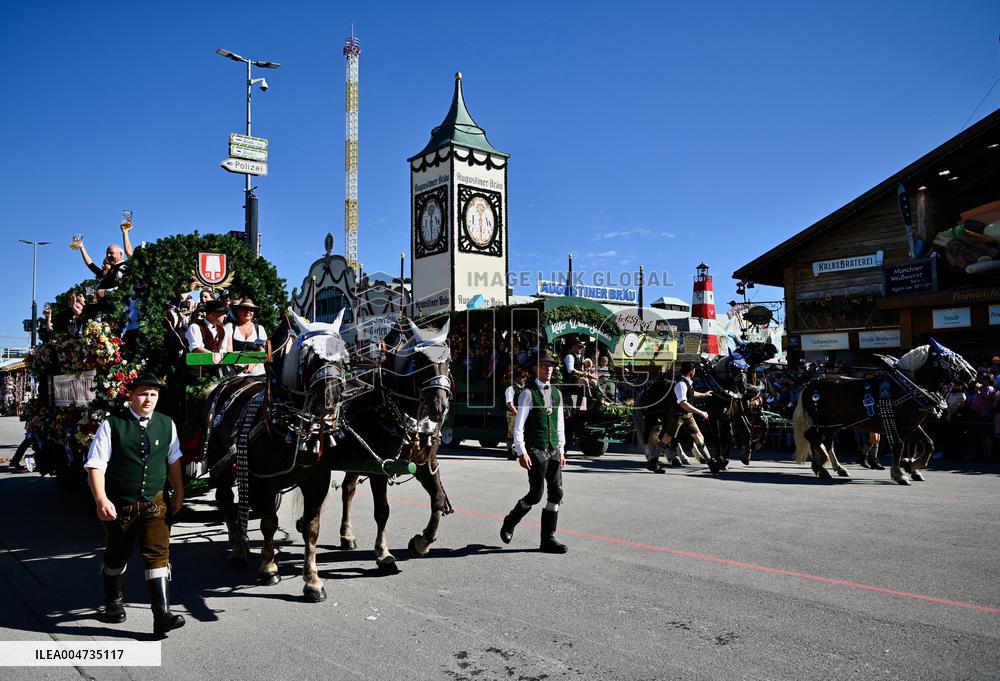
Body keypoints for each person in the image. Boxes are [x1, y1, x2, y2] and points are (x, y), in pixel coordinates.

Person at [83, 373, 186, 636]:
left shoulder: (167, 423)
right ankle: (113, 601)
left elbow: (174, 460)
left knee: (158, 555)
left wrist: (179, 492)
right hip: (121, 503)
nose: (148, 399)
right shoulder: (112, 425)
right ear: (131, 395)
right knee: (118, 553)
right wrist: (101, 499)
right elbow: (96, 464)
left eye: (153, 394)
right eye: (143, 393)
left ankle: (162, 615)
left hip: (155, 501)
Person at [500, 350, 568, 554]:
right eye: (544, 365)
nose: (549, 369)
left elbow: (559, 424)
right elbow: (519, 425)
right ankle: (511, 520)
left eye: (551, 366)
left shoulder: (557, 393)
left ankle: (548, 539)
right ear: (535, 368)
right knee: (536, 495)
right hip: (536, 450)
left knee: (556, 493)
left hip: (553, 449)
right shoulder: (528, 393)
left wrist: (561, 449)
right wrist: (521, 451)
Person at [647, 361, 722, 474]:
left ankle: (711, 463)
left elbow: (690, 393)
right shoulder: (681, 384)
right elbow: (683, 403)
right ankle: (653, 461)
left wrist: (703, 394)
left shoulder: (687, 383)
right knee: (667, 438)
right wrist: (701, 412)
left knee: (698, 436)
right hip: (677, 415)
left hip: (688, 415)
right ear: (692, 371)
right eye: (694, 370)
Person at [186, 299, 232, 377]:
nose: (225, 316)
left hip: (216, 369)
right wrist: (216, 357)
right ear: (213, 314)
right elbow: (196, 349)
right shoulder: (195, 327)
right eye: (222, 313)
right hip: (197, 370)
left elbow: (223, 349)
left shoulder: (223, 329)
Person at [225, 298, 268, 376]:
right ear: (238, 311)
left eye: (251, 309)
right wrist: (234, 363)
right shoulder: (230, 327)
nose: (248, 311)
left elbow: (261, 350)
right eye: (245, 309)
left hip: (256, 372)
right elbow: (228, 349)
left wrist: (253, 363)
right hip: (235, 371)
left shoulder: (259, 329)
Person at [504, 369, 526, 460]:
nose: (524, 379)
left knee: (520, 432)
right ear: (517, 378)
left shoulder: (523, 389)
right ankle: (510, 451)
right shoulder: (511, 388)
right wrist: (516, 413)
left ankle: (518, 451)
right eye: (522, 377)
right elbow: (509, 403)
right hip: (513, 413)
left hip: (521, 413)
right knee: (511, 433)